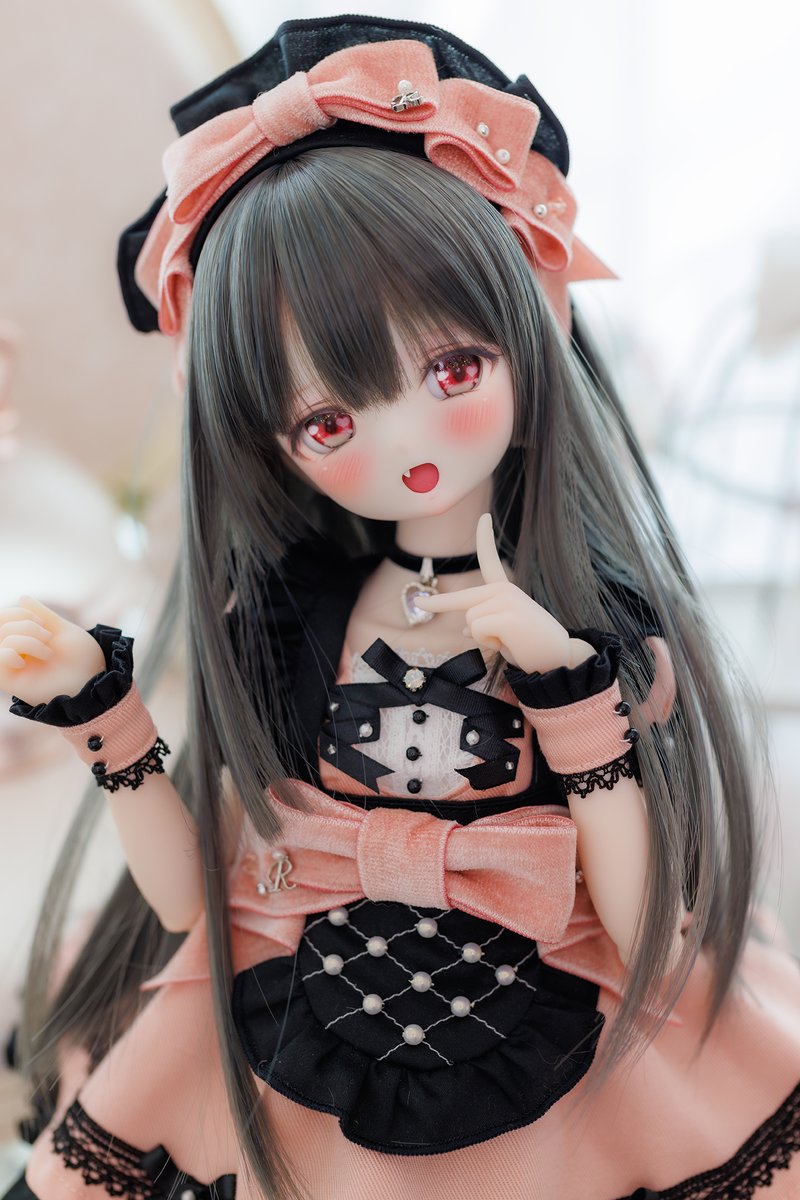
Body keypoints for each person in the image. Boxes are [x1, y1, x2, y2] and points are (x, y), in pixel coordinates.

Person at [1, 14, 799, 1200]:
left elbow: (645, 940)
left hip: (562, 1019)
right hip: (291, 1000)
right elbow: (190, 902)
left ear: (529, 323)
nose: (406, 442)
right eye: (328, 421)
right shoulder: (288, 621)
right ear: (271, 445)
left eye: (452, 369)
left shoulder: (594, 629)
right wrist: (101, 718)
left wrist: (568, 693)